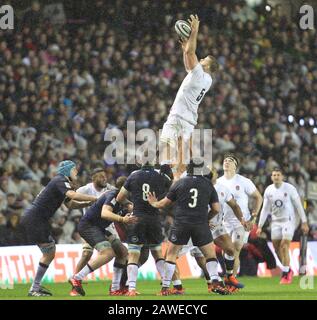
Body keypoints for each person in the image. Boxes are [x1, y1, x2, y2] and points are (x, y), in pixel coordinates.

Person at [148, 160, 228, 296]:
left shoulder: (180, 183)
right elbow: (216, 208)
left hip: (181, 224)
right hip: (200, 224)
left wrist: (154, 203)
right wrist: (207, 218)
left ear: (189, 169)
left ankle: (165, 288)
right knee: (210, 255)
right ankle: (215, 282)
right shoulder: (208, 184)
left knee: (171, 255)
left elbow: (164, 204)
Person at [20, 160, 97, 296]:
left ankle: (35, 287)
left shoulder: (60, 183)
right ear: (67, 171)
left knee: (49, 251)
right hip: (36, 218)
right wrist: (95, 198)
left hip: (36, 218)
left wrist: (88, 203)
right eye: (74, 169)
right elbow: (72, 195)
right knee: (49, 251)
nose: (76, 172)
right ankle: (34, 288)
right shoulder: (60, 180)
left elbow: (70, 205)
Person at [159, 14, 219, 174]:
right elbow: (189, 58)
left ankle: (165, 182)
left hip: (178, 117)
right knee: (182, 159)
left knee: (166, 152)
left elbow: (191, 53)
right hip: (188, 121)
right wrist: (186, 48)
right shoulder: (206, 79)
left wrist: (194, 32)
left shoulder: (200, 74)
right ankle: (178, 185)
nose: (202, 59)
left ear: (207, 66)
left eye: (205, 59)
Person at [68, 176, 137, 296]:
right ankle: (77, 278)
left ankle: (115, 289)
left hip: (100, 228)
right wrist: (122, 219)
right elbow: (105, 213)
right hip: (88, 226)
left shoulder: (124, 200)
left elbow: (129, 206)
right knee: (107, 253)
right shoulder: (112, 194)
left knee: (122, 252)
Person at [116, 162, 173, 296]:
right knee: (157, 254)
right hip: (154, 219)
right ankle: (165, 288)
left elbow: (119, 198)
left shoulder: (133, 176)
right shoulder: (161, 176)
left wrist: (131, 203)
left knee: (134, 254)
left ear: (140, 162)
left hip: (138, 218)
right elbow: (171, 191)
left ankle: (131, 289)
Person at [256, 168, 309, 284]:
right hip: (275, 222)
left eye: (278, 175)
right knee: (277, 249)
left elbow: (299, 205)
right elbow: (265, 209)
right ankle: (288, 269)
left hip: (288, 221)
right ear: (271, 177)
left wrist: (304, 222)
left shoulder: (290, 189)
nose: (276, 177)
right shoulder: (269, 190)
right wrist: (259, 226)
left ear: (282, 177)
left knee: (284, 246)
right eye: (274, 175)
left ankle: (285, 274)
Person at [217, 154, 263, 276]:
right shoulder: (217, 182)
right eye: (225, 160)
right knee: (227, 252)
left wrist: (254, 218)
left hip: (242, 222)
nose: (226, 162)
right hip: (224, 222)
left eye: (230, 161)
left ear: (235, 166)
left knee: (235, 249)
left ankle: (232, 279)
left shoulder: (244, 181)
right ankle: (229, 275)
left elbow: (258, 197)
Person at [73, 168, 117, 275]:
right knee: (86, 254)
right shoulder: (85, 189)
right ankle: (75, 279)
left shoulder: (109, 189)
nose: (104, 178)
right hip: (90, 227)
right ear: (93, 178)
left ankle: (117, 285)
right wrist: (86, 202)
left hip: (108, 227)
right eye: (101, 176)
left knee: (120, 252)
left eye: (105, 176)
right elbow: (71, 200)